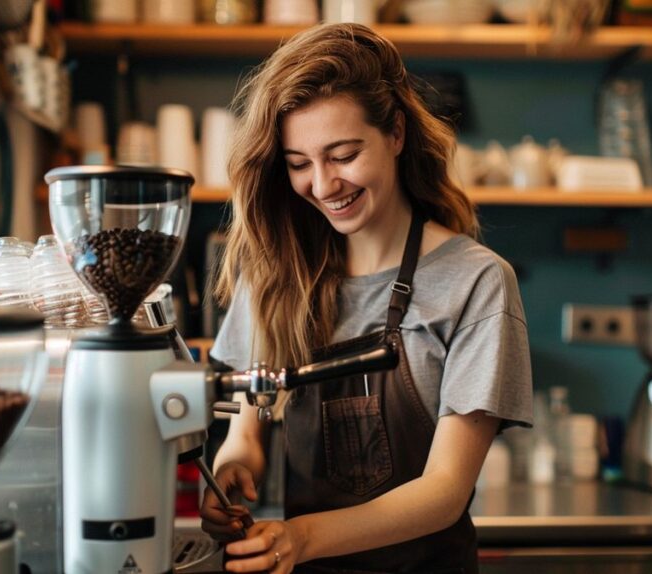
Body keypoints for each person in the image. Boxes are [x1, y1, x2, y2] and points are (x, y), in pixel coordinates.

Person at [202, 23, 533, 574]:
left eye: (344, 154)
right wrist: (235, 462)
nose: (324, 184)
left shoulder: (476, 283)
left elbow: (445, 491)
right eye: (299, 163)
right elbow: (247, 423)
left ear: (396, 134)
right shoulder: (277, 274)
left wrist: (301, 538)